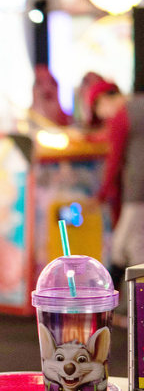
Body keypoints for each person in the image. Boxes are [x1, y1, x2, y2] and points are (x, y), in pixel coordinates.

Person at [87, 81, 144, 292]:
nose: (103, 117)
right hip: (138, 191)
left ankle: (125, 306)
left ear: (103, 99)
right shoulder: (138, 105)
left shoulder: (123, 115)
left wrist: (101, 195)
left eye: (98, 110)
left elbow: (114, 159)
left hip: (138, 191)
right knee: (125, 246)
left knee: (133, 247)